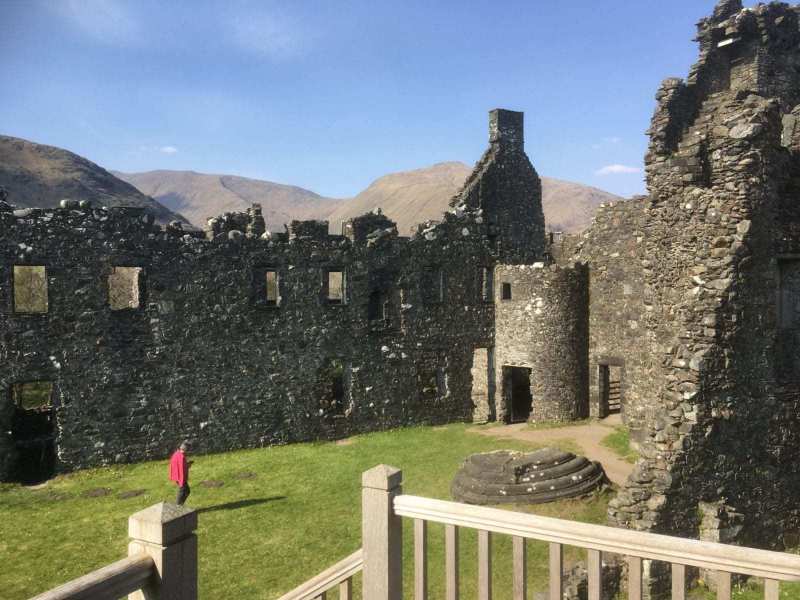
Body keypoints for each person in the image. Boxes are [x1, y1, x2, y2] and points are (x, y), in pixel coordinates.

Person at [169, 441, 192, 505]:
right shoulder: (181, 457)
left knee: (187, 491)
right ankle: (178, 506)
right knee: (182, 491)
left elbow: (181, 466)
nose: (189, 452)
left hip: (177, 476)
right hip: (180, 478)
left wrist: (187, 465)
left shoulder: (177, 453)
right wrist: (182, 481)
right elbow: (181, 470)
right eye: (188, 450)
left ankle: (180, 505)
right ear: (186, 450)